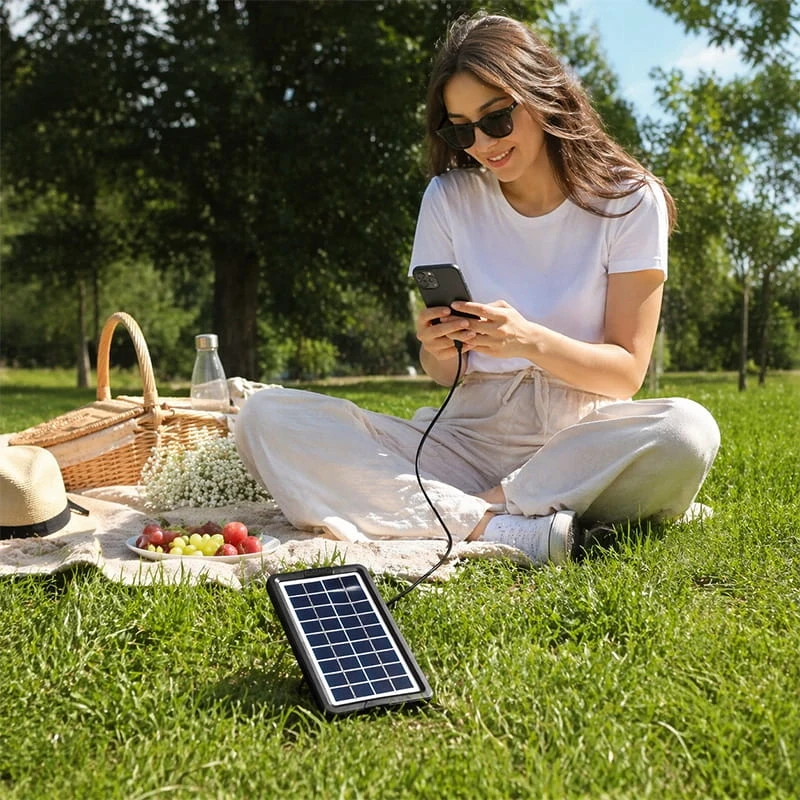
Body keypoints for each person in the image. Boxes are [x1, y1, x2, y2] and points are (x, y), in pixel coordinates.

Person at [235, 11, 720, 565]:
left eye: (496, 119)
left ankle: (468, 512)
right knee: (264, 418)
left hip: (579, 441)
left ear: (542, 94)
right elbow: (446, 374)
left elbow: (627, 371)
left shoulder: (629, 199)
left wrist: (528, 341)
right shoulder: (448, 198)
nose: (482, 143)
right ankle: (503, 526)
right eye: (461, 129)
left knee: (686, 430)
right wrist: (438, 349)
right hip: (464, 440)